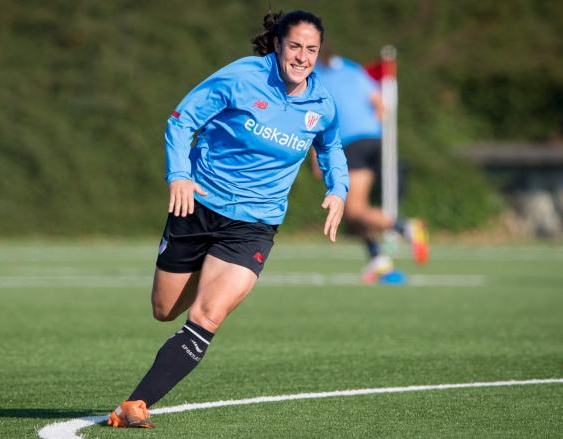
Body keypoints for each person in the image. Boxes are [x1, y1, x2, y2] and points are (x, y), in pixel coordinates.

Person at [107, 10, 348, 429]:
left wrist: (337, 189)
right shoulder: (242, 77)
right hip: (198, 207)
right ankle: (205, 269)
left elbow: (330, 147)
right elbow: (182, 122)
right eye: (295, 46)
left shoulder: (321, 103)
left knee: (208, 314)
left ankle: (136, 404)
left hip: (254, 224)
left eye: (312, 49)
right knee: (164, 310)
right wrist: (179, 175)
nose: (302, 57)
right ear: (277, 44)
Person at [310, 45, 429, 284]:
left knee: (354, 210)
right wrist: (369, 129)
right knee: (352, 212)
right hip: (374, 139)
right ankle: (378, 260)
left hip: (348, 142)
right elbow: (381, 105)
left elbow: (314, 118)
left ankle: (406, 227)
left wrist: (317, 156)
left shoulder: (313, 76)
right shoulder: (353, 68)